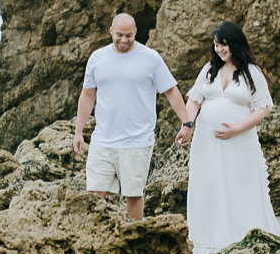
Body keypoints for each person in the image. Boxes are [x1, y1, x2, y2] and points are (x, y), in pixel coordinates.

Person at [175, 21, 280, 254]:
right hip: (206, 140)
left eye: (223, 44)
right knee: (208, 184)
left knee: (239, 185)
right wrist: (187, 125)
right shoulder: (208, 70)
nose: (219, 50)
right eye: (216, 45)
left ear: (234, 44)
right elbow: (194, 100)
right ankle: (207, 239)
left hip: (239, 141)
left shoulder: (252, 72)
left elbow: (262, 108)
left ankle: (241, 235)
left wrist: (237, 128)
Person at [73, 12, 192, 220]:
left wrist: (186, 122)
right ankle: (96, 243)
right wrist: (78, 132)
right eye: (119, 35)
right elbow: (87, 95)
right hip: (102, 139)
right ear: (111, 31)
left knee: (133, 196)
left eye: (129, 35)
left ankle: (135, 239)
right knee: (94, 195)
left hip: (137, 140)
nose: (124, 40)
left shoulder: (151, 58)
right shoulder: (97, 58)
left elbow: (170, 90)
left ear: (136, 32)